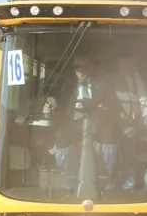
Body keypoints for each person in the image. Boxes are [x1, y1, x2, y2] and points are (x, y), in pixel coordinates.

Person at [43, 52, 122, 192]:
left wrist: (102, 108)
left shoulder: (103, 85)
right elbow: (61, 110)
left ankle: (108, 178)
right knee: (62, 133)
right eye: (76, 67)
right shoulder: (66, 86)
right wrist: (51, 112)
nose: (80, 70)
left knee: (110, 132)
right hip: (75, 124)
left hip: (99, 122)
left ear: (92, 67)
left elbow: (114, 105)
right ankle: (66, 179)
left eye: (84, 66)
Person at [110, 56, 147, 190]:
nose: (123, 67)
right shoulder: (116, 82)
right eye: (121, 64)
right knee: (129, 134)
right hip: (128, 121)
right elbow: (112, 104)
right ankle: (129, 178)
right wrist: (121, 116)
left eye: (127, 63)